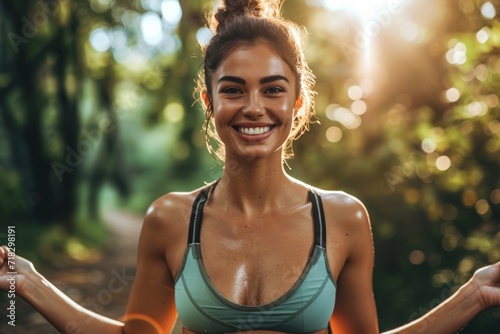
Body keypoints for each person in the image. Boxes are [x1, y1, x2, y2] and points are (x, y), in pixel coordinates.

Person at [1, 0, 500, 333]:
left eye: (273, 89)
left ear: (298, 103)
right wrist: (31, 282)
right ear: (209, 101)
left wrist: (473, 294)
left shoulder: (342, 219)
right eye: (233, 89)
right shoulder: (169, 220)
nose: (254, 107)